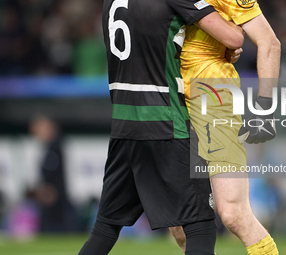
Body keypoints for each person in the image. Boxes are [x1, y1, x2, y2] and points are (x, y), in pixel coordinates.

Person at [78, 0, 245, 254]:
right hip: (166, 123)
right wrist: (227, 42)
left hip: (124, 126)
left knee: (104, 230)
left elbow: (153, 36)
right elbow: (234, 38)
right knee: (200, 226)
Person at [169, 0, 281, 255]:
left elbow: (270, 43)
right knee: (179, 224)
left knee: (233, 213)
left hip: (214, 98)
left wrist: (265, 107)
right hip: (170, 103)